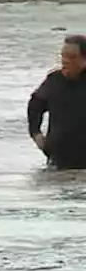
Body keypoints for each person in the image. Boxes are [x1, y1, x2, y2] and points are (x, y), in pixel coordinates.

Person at [28, 35, 86, 170]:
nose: (65, 61)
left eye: (72, 57)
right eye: (63, 56)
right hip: (58, 163)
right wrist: (35, 133)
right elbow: (35, 105)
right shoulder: (54, 80)